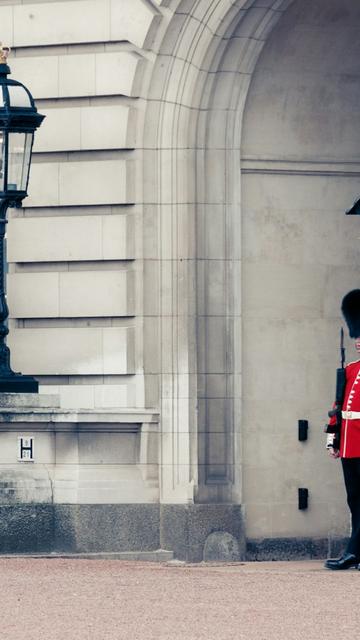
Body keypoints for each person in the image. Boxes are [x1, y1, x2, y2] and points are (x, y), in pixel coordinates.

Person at [325, 289, 360, 570]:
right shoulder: (350, 369)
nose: (358, 341)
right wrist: (332, 440)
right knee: (354, 500)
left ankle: (353, 551)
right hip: (350, 443)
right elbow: (337, 407)